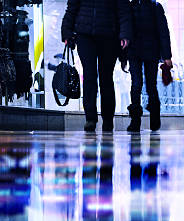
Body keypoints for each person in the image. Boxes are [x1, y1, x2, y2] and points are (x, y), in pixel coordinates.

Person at [61, 0, 132, 132]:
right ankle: (90, 118)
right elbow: (71, 9)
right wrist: (66, 31)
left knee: (106, 79)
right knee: (89, 76)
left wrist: (125, 34)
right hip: (85, 36)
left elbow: (124, 11)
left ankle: (108, 119)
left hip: (109, 37)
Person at [124, 0, 172, 133]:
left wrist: (167, 56)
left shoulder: (154, 7)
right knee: (138, 85)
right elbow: (125, 31)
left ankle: (151, 119)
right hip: (136, 52)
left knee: (147, 85)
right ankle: (137, 121)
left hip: (149, 52)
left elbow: (163, 32)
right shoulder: (131, 7)